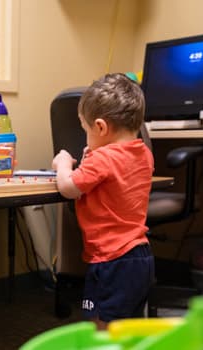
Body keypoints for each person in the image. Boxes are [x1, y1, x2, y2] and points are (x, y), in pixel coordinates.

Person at [51, 73, 155, 330]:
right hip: (140, 257)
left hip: (112, 261)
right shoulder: (144, 154)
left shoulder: (103, 160)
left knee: (99, 325)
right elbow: (115, 182)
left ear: (100, 127)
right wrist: (93, 157)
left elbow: (68, 188)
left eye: (85, 130)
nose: (86, 137)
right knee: (128, 326)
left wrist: (62, 165)